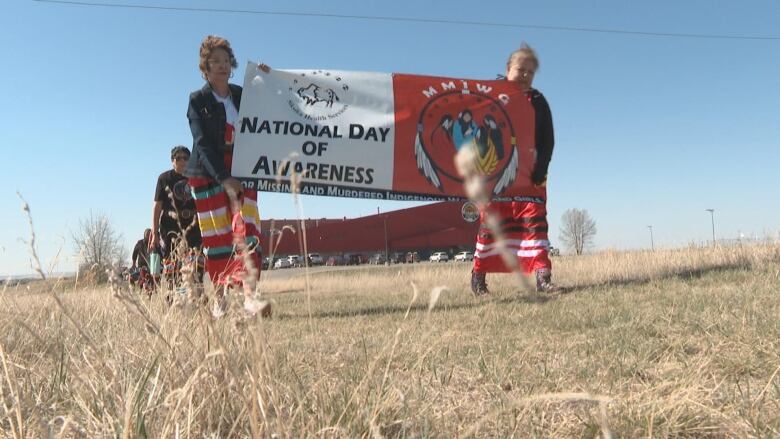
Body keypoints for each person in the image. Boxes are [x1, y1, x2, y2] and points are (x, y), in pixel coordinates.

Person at [471, 43, 559, 296]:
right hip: (494, 175)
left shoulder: (538, 101)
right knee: (491, 225)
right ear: (508, 69)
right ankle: (478, 278)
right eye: (520, 69)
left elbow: (547, 140)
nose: (525, 75)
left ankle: (543, 277)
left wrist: (541, 170)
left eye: (530, 72)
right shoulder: (488, 95)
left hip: (530, 176)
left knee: (535, 223)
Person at [184, 35, 263, 289]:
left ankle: (250, 293)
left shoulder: (242, 95)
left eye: (226, 60)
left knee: (248, 230)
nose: (222, 65)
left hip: (242, 169)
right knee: (218, 237)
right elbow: (202, 143)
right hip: (208, 173)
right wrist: (223, 178)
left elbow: (270, 111)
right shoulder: (198, 100)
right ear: (205, 67)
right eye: (215, 61)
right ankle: (220, 296)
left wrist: (266, 79)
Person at [150, 145, 202, 260]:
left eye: (185, 158)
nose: (182, 161)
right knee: (172, 265)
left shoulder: (197, 177)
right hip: (170, 227)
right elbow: (157, 207)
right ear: (172, 161)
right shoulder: (164, 179)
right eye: (178, 158)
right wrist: (154, 233)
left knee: (195, 266)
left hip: (193, 226)